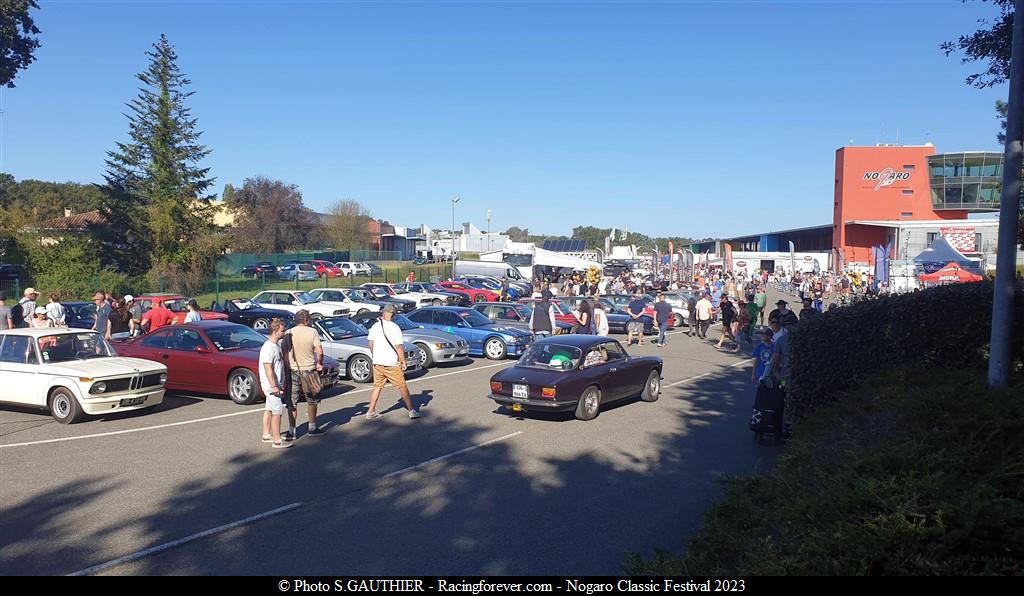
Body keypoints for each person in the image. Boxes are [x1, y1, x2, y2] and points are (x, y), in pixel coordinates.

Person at [366, 304, 421, 420]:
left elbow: (370, 343)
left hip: (378, 362)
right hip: (391, 362)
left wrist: (374, 354)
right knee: (402, 386)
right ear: (393, 315)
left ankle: (371, 411)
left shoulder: (375, 326)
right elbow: (399, 347)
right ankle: (411, 410)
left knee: (377, 387)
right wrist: (403, 361)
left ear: (383, 313)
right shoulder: (395, 327)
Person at [284, 309, 327, 436]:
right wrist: (319, 363)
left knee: (292, 401)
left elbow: (285, 351)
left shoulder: (289, 332)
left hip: (293, 369)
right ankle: (312, 427)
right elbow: (320, 352)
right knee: (312, 399)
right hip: (309, 370)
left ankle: (292, 430)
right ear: (306, 320)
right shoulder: (312, 332)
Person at [259, 318, 292, 449]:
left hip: (275, 383)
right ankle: (277, 440)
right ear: (275, 331)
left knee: (269, 409)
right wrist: (274, 386)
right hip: (271, 385)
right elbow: (268, 368)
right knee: (277, 410)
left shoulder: (275, 345)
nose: (284, 333)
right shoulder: (268, 348)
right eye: (282, 331)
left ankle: (266, 435)